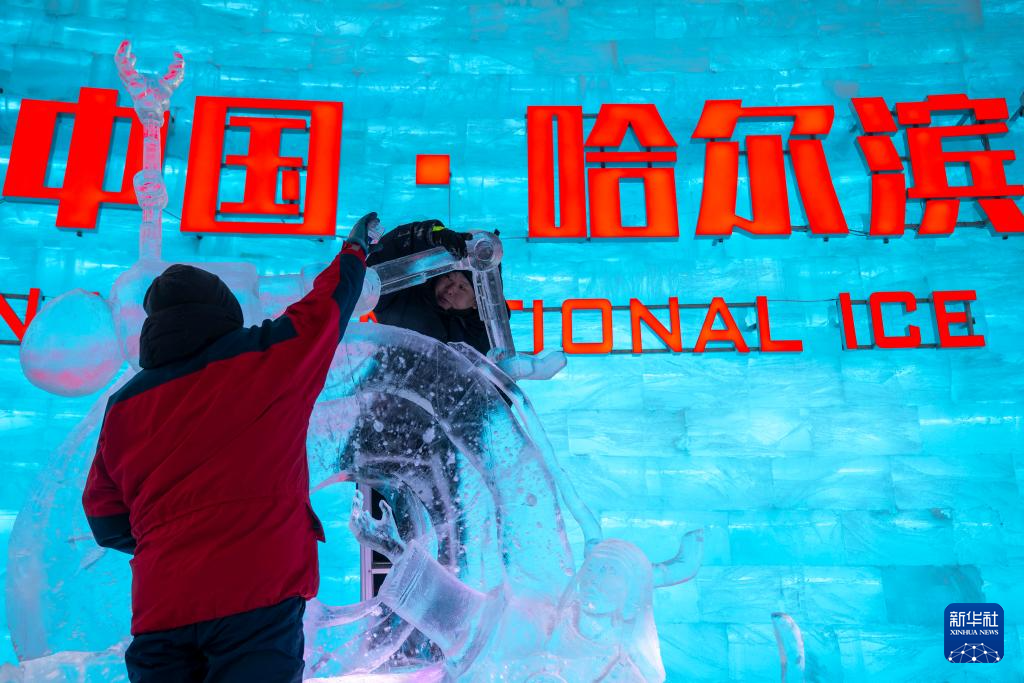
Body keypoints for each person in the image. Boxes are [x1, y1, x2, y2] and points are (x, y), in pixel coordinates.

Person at [81, 213, 377, 683]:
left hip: (162, 609)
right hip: (256, 592)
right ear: (226, 312)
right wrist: (354, 253)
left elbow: (103, 517)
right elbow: (326, 309)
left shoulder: (124, 405)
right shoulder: (266, 357)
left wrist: (170, 542)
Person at [367, 219, 489, 354]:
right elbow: (379, 264)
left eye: (462, 287)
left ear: (476, 302)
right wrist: (430, 235)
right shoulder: (401, 300)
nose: (450, 289)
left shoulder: (480, 333)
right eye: (448, 277)